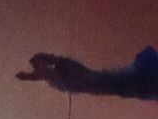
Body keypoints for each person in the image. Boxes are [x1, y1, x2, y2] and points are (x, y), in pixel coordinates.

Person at [17, 47, 158, 102]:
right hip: (142, 81)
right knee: (101, 82)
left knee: (100, 82)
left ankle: (48, 69)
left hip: (142, 82)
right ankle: (48, 69)